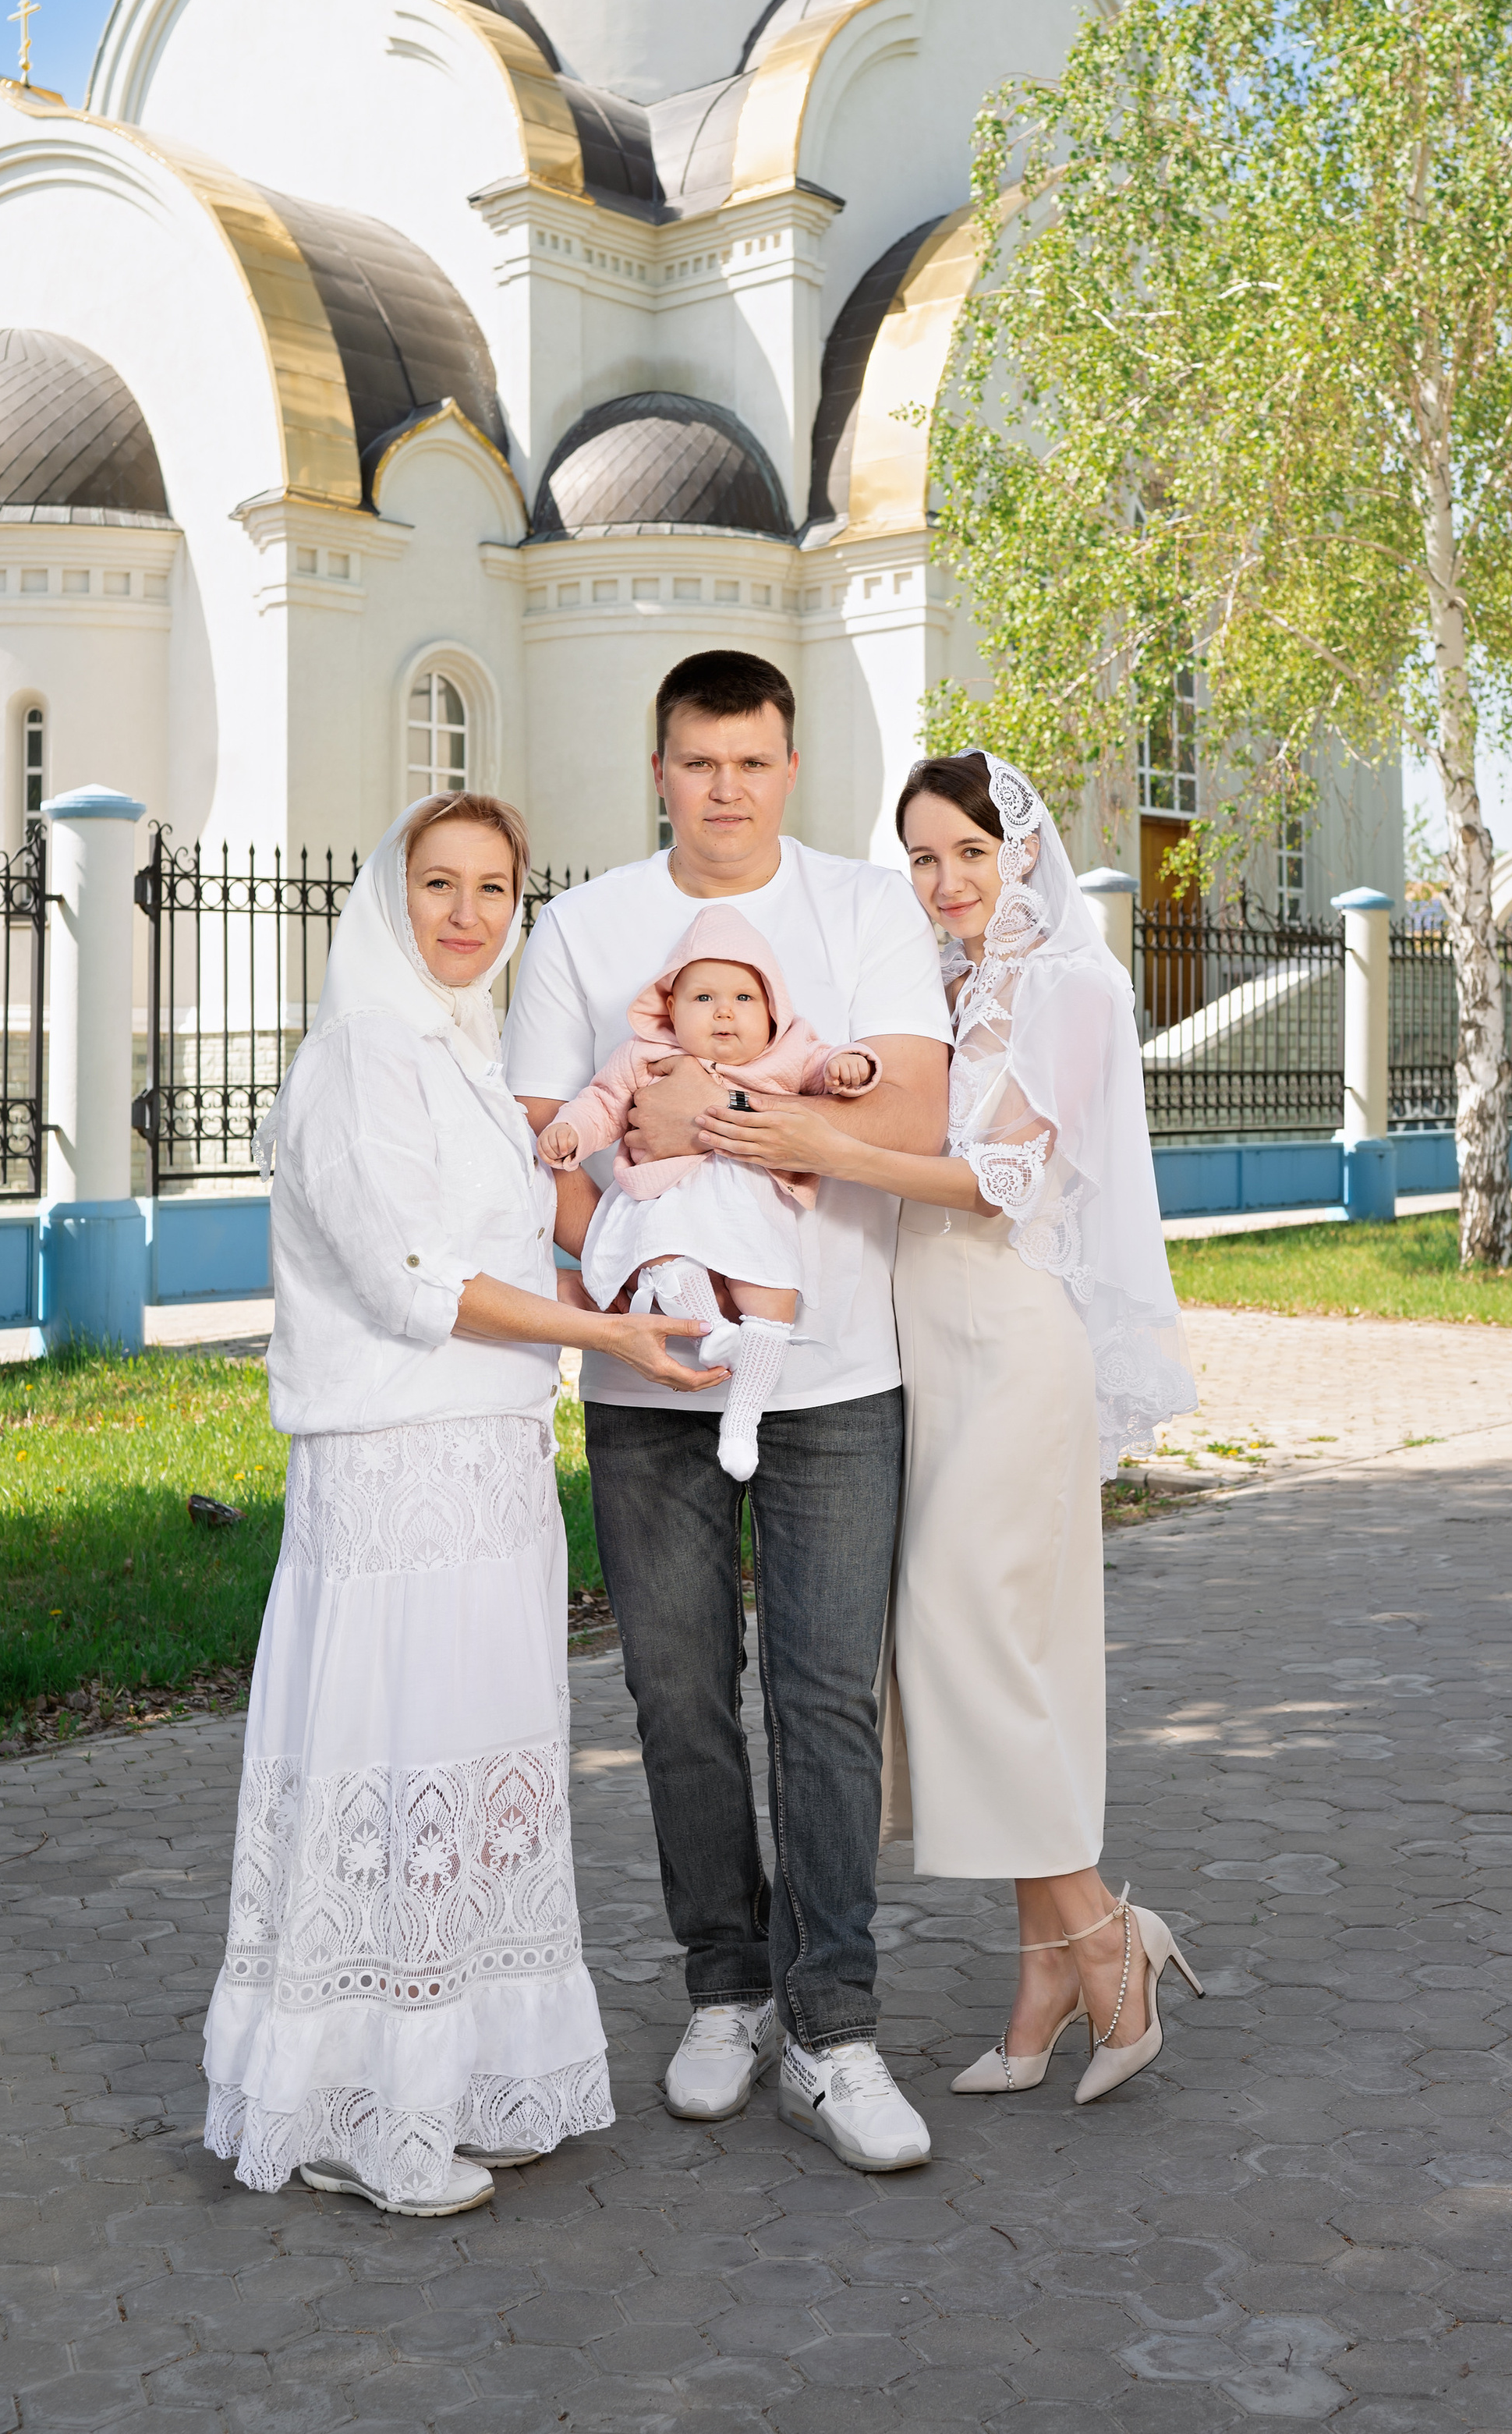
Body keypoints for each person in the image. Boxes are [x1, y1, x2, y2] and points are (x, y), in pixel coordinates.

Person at [202, 791, 721, 2222]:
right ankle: (364, 2109)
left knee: (480, 1763)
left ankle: (469, 2072)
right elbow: (407, 1277)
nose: (469, 913)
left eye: (496, 887)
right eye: (440, 882)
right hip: (395, 1467)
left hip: (488, 1461)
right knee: (396, 1759)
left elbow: (540, 1231)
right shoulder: (364, 1053)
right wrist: (611, 1338)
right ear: (391, 894)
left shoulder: (468, 1059)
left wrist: (675, 1264)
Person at [700, 750, 1204, 2106]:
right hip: (932, 1350)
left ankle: (1106, 1936)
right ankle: (1050, 1965)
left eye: (968, 852)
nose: (945, 882)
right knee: (968, 1655)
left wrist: (818, 1139)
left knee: (960, 1626)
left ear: (1021, 846)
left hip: (1013, 1336)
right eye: (921, 858)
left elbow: (996, 1178)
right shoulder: (945, 988)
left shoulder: (1079, 989)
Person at [505, 651, 951, 2175]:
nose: (726, 790)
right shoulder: (581, 929)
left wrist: (722, 1118)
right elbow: (547, 1160)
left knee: (822, 1700)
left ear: (787, 765)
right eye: (698, 763)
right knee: (676, 1699)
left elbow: (908, 1113)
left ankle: (835, 2031)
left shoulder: (862, 908)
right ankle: (724, 1987)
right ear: (658, 769)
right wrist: (613, 1281)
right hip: (649, 1377)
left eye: (751, 762)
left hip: (833, 1372)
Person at [536, 902, 880, 1479]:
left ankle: (742, 1419)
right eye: (703, 998)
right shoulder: (644, 1056)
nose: (725, 1012)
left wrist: (850, 1063)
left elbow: (824, 1069)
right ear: (670, 1007)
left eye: (744, 998)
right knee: (665, 1251)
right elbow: (602, 1101)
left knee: (774, 1294)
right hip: (669, 1196)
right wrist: (572, 1129)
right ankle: (715, 1333)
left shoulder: (787, 1054)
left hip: (752, 1203)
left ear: (772, 1009)